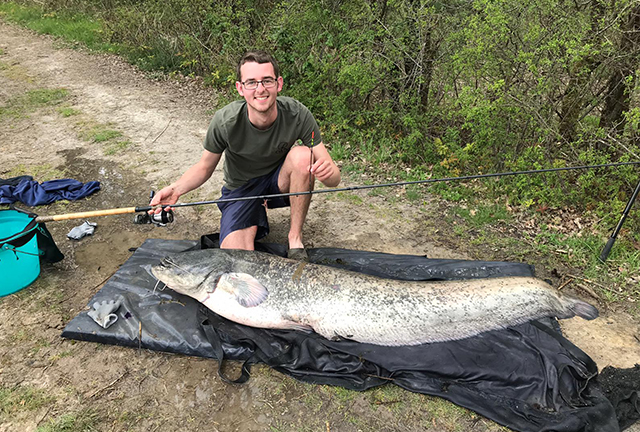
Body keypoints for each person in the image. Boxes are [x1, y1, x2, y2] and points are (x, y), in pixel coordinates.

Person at [149, 50, 341, 259]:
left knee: (303, 155)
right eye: (251, 82)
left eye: (267, 80)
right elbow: (204, 167)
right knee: (235, 258)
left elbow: (334, 178)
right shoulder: (225, 121)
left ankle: (295, 239)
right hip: (242, 189)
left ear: (279, 84)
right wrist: (176, 189)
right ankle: (251, 213)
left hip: (279, 183)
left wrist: (327, 174)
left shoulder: (298, 114)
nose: (260, 89)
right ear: (240, 88)